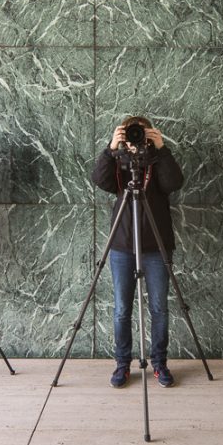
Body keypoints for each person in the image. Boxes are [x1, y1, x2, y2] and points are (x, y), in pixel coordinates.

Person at [91, 116, 184, 389]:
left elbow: (173, 183)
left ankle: (159, 363)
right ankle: (122, 364)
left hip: (156, 245)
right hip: (122, 245)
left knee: (159, 309)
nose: (135, 138)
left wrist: (162, 148)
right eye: (131, 133)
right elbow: (100, 180)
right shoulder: (118, 160)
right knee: (121, 309)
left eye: (140, 134)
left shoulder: (156, 159)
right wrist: (111, 149)